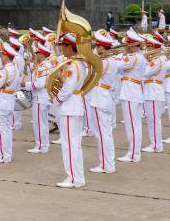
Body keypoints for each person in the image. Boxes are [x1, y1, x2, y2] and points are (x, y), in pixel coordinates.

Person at [51, 33, 90, 188]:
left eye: (63, 46)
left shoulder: (73, 64)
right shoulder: (78, 63)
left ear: (69, 46)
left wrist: (56, 100)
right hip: (75, 105)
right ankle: (77, 177)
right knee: (75, 144)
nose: (61, 49)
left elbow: (68, 88)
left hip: (70, 106)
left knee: (69, 144)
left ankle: (73, 178)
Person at [88, 32, 122, 174]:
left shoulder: (104, 61)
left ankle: (105, 165)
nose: (96, 48)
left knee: (102, 134)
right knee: (105, 133)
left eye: (98, 46)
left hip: (99, 98)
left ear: (102, 48)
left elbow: (90, 73)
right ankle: (108, 164)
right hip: (105, 97)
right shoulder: (112, 60)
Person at [117, 28, 147, 163]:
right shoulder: (138, 57)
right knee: (135, 125)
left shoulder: (133, 58)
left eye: (127, 44)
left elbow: (117, 66)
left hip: (130, 93)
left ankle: (133, 154)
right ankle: (134, 152)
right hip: (134, 92)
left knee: (132, 126)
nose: (126, 47)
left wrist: (121, 54)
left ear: (132, 45)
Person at [25, 42, 55, 154]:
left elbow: (39, 84)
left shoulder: (44, 66)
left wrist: (26, 85)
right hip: (43, 97)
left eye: (37, 53)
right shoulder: (47, 65)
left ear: (41, 54)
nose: (35, 55)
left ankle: (41, 145)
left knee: (39, 123)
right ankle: (44, 145)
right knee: (43, 122)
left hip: (40, 97)